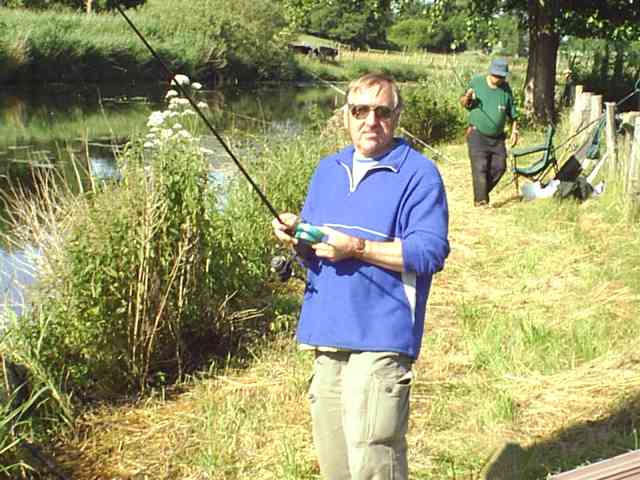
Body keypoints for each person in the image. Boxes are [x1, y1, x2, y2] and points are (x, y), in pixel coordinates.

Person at [272, 73, 450, 479]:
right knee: (335, 463)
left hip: (382, 336)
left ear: (397, 117)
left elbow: (429, 252)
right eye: (360, 111)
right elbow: (316, 247)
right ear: (346, 116)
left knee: (373, 458)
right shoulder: (327, 170)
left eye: (382, 112)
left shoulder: (419, 174)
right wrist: (297, 234)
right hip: (327, 334)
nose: (371, 121)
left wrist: (357, 247)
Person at [460, 58, 519, 207]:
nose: (499, 79)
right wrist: (467, 97)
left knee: (500, 167)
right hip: (477, 134)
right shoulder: (477, 82)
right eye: (496, 75)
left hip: (497, 138)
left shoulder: (506, 89)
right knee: (480, 167)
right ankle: (481, 201)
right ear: (490, 72)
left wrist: (515, 131)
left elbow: (513, 113)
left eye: (501, 76)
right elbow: (464, 103)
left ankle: (481, 191)